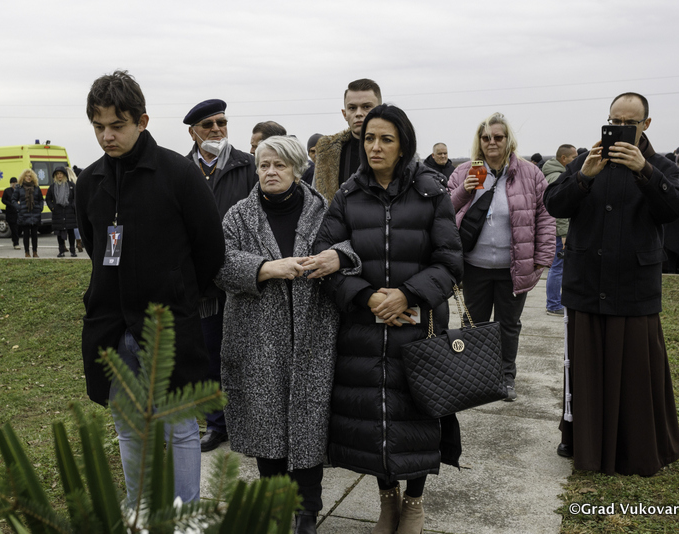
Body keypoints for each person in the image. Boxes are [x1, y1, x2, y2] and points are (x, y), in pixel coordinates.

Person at [76, 70, 224, 505]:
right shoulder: (90, 182)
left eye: (116, 125)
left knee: (179, 426)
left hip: (167, 324)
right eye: (98, 126)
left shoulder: (179, 174)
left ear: (142, 121)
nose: (107, 136)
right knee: (128, 426)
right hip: (110, 326)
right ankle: (140, 508)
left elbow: (210, 248)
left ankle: (183, 516)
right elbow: (95, 245)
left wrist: (179, 292)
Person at [314, 104, 463, 534]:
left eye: (386, 139)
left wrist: (406, 294)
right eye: (369, 139)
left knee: (418, 417)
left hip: (419, 328)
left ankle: (413, 503)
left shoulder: (431, 192)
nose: (375, 147)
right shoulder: (348, 195)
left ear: (403, 145)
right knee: (374, 419)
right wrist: (366, 297)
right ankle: (387, 500)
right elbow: (325, 260)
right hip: (364, 329)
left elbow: (450, 262)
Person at [216, 135, 358, 534]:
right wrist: (266, 268)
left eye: (279, 165)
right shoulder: (238, 216)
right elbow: (218, 264)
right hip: (258, 338)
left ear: (297, 169)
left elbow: (352, 248)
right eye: (264, 165)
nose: (270, 172)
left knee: (308, 426)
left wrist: (337, 256)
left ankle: (307, 511)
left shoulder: (323, 210)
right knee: (267, 426)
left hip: (313, 335)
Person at [544, 92, 679, 476]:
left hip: (633, 285)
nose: (620, 128)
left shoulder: (661, 166)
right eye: (614, 121)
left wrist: (646, 171)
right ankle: (579, 438)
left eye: (630, 123)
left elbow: (676, 209)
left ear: (646, 125)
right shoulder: (585, 160)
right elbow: (554, 204)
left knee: (636, 371)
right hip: (586, 282)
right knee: (584, 369)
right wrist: (584, 177)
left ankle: (635, 447)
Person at [447, 112, 555, 402]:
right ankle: (476, 376)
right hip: (474, 265)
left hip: (514, 266)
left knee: (508, 325)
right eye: (486, 138)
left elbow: (545, 216)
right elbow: (444, 212)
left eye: (498, 137)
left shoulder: (530, 173)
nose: (491, 142)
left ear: (508, 140)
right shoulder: (463, 172)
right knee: (474, 324)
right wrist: (464, 190)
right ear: (479, 141)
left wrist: (543, 255)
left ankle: (506, 376)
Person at [184, 98, 258, 452]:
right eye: (208, 125)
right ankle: (217, 424)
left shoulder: (248, 165)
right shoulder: (182, 170)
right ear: (193, 133)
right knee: (209, 354)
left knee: (249, 353)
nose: (216, 129)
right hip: (203, 282)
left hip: (243, 275)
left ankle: (254, 420)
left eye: (221, 122)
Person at [313, 79, 382, 203]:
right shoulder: (326, 153)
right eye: (352, 108)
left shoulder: (399, 150)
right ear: (344, 114)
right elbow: (317, 203)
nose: (359, 113)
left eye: (366, 107)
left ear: (380, 110)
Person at [541, 144, 578, 315]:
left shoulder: (551, 174)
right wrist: (564, 233)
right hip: (558, 231)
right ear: (564, 158)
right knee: (557, 267)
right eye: (573, 157)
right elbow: (560, 207)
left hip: (554, 229)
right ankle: (554, 304)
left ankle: (554, 302)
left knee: (557, 267)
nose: (576, 160)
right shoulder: (557, 176)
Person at [45, 166, 78, 257]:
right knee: (59, 233)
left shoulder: (71, 185)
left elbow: (76, 197)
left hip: (69, 212)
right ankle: (61, 251)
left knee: (71, 232)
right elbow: (48, 199)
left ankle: (72, 250)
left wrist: (73, 206)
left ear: (64, 175)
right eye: (57, 174)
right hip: (58, 213)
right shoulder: (52, 187)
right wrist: (52, 207)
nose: (59, 175)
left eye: (61, 174)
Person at [12, 169, 44, 258]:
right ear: (23, 177)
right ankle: (27, 252)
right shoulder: (19, 187)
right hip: (24, 213)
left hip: (35, 213)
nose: (28, 178)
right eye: (26, 176)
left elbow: (41, 199)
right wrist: (19, 208)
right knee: (26, 234)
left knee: (34, 234)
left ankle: (35, 252)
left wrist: (40, 208)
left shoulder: (36, 187)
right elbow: (13, 200)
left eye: (30, 176)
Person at [2, 177, 20, 250]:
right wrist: (11, 204)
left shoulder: (19, 190)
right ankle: (16, 243)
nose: (15, 184)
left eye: (16, 183)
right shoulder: (7, 191)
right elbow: (3, 200)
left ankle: (16, 240)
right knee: (14, 228)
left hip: (18, 212)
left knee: (18, 228)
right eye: (13, 183)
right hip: (11, 212)